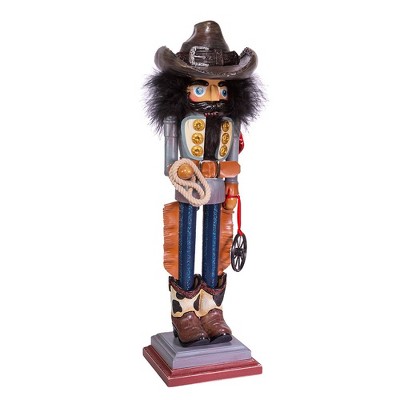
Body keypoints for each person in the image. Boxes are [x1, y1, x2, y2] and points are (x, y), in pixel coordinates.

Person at [145, 21, 264, 347]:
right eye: (201, 88)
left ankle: (211, 309)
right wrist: (181, 172)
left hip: (218, 187)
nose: (213, 96)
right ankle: (184, 312)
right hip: (189, 189)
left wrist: (232, 185)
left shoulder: (229, 122)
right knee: (184, 243)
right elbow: (170, 162)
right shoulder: (177, 119)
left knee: (217, 242)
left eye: (221, 89)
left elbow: (233, 158)